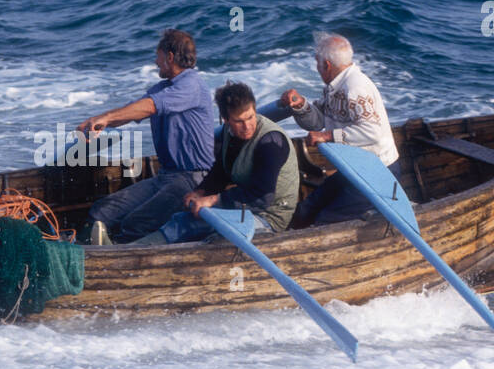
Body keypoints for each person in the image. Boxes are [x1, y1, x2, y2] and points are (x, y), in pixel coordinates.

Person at [76, 29, 216, 244]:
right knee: (101, 212)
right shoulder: (162, 88)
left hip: (194, 178)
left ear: (169, 57)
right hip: (166, 176)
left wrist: (106, 116)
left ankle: (120, 263)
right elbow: (134, 111)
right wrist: (99, 122)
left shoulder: (191, 85)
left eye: (157, 55)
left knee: (136, 223)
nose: (155, 61)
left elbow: (150, 107)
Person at [138, 81, 299, 244]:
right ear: (226, 120)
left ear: (255, 109)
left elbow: (262, 197)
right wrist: (201, 192)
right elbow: (221, 172)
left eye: (250, 117)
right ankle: (135, 248)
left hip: (269, 216)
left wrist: (213, 200)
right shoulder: (228, 134)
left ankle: (137, 250)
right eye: (239, 121)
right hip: (247, 209)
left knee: (190, 226)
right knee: (181, 216)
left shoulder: (271, 142)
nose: (247, 126)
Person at [280, 33, 400, 226]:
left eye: (317, 63)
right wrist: (301, 105)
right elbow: (317, 121)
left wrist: (328, 136)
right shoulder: (335, 86)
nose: (317, 68)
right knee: (305, 211)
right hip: (352, 169)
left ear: (326, 65)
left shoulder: (355, 87)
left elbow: (374, 133)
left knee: (325, 222)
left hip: (379, 173)